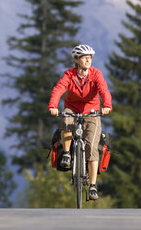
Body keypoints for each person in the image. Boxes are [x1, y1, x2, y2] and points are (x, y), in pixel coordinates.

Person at [48, 44, 112, 200]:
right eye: (85, 57)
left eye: (90, 57)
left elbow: (103, 90)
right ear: (76, 59)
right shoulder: (69, 75)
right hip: (72, 108)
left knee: (91, 146)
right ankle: (67, 155)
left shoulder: (96, 74)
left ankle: (92, 186)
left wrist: (107, 105)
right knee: (66, 118)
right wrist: (53, 106)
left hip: (92, 112)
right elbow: (59, 89)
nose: (88, 59)